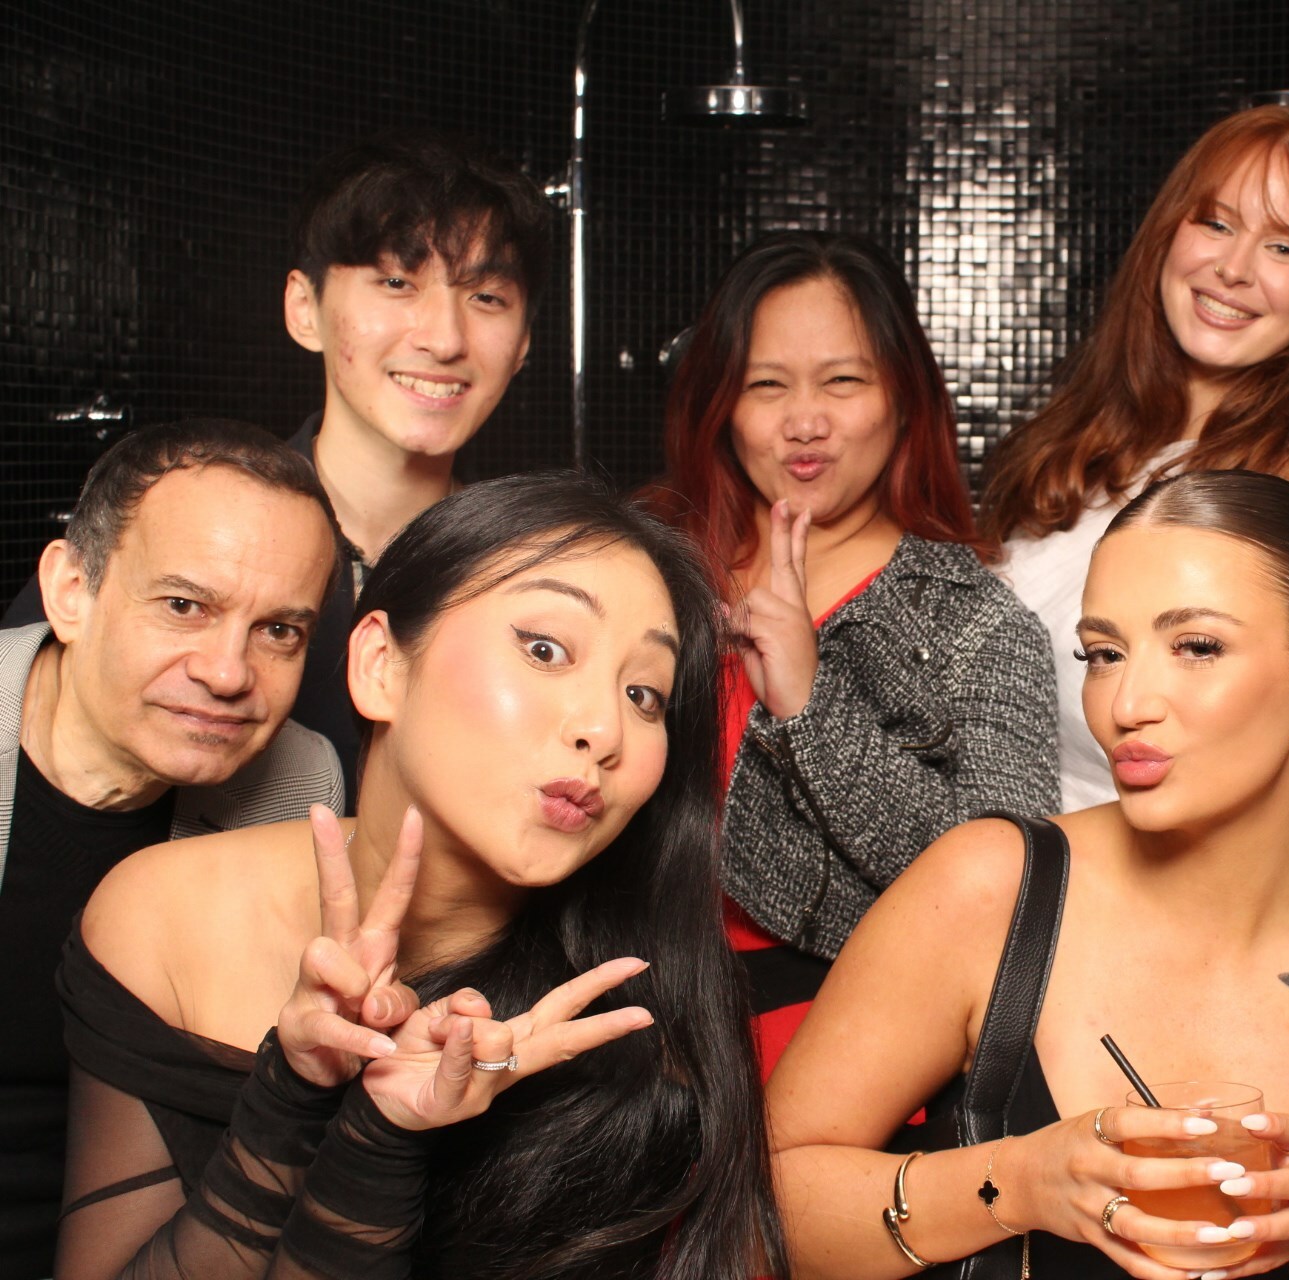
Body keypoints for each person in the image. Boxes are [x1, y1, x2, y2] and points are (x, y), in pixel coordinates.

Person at [770, 470, 1289, 1280]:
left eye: (1197, 647)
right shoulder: (992, 890)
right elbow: (766, 1200)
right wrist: (1019, 1183)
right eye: (1105, 654)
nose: (1126, 705)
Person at [55, 472, 781, 1279]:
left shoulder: (638, 1023)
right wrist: (292, 1095)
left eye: (644, 694)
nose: (604, 729)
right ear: (380, 667)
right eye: (545, 650)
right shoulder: (163, 914)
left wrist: (380, 1136)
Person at [3, 128, 552, 800]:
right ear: (304, 309)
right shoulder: (170, 517)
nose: (444, 339)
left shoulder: (534, 573)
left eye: (487, 297)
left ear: (523, 344)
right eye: (396, 282)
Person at [655, 232, 1058, 1072]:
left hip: (842, 1044)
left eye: (843, 381)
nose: (805, 422)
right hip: (630, 1024)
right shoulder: (645, 571)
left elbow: (1005, 893)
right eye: (767, 385)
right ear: (722, 405)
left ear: (904, 398)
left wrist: (810, 703)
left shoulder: (971, 619)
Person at [0, 419, 343, 1278]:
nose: (228, 673)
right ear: (70, 590)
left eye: (280, 631)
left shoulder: (299, 786)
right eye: (184, 606)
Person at [985, 106, 1289, 810]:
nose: (1233, 269)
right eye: (1217, 224)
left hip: (1139, 876)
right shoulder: (1082, 436)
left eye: (1284, 247)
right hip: (999, 855)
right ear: (1168, 234)